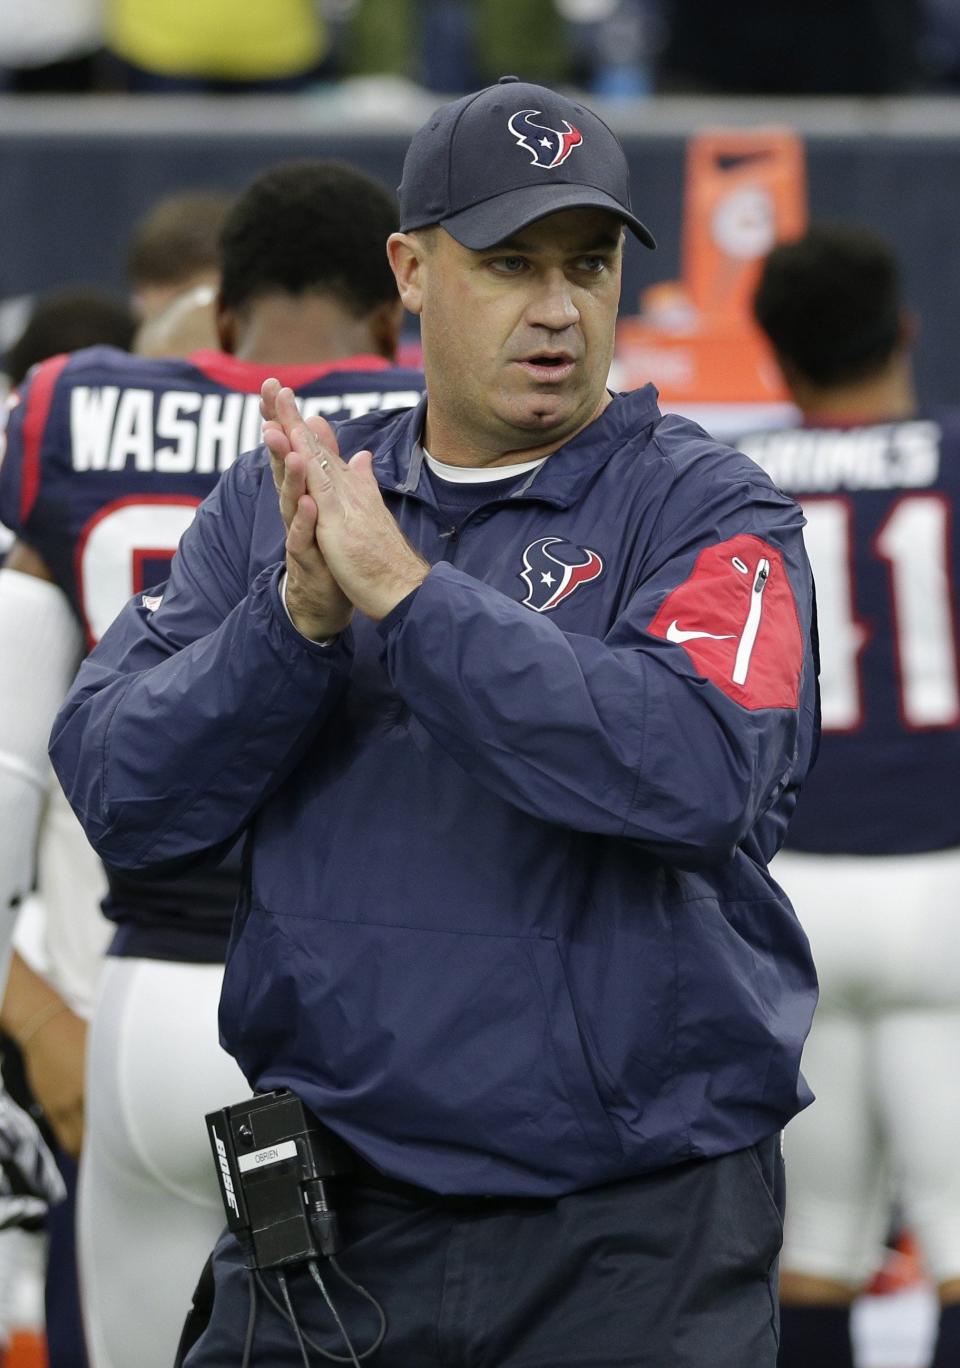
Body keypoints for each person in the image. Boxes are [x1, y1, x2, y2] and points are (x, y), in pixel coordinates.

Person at [51, 78, 819, 1368]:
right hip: (332, 1223)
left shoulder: (710, 507)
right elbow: (126, 792)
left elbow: (701, 774)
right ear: (410, 269)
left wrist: (409, 600)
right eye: (510, 262)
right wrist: (292, 618)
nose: (559, 307)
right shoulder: (286, 503)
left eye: (587, 265)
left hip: (629, 1235)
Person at [0, 158, 422, 1368]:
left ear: (223, 315)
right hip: (341, 1006)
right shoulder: (422, 431)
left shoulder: (70, 408)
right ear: (398, 314)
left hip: (134, 994)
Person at [739, 224, 960, 1368]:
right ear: (906, 327)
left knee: (812, 1247)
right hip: (949, 876)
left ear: (775, 356)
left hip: (792, 891)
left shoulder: (724, 481)